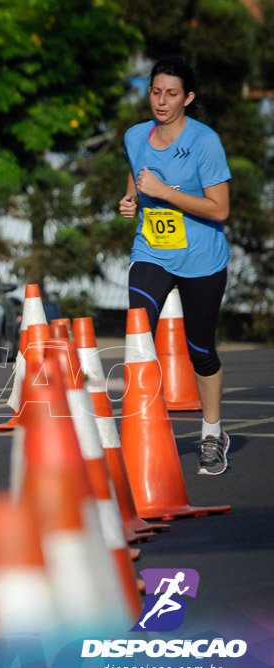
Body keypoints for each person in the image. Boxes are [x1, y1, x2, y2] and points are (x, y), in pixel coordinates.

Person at [118, 55, 231, 475]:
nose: (161, 101)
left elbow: (220, 210)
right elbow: (137, 173)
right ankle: (141, 430)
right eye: (155, 92)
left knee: (199, 350)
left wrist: (164, 192)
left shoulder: (205, 142)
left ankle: (211, 433)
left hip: (202, 258)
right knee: (137, 335)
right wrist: (132, 198)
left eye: (171, 94)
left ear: (188, 98)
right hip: (152, 251)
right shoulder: (134, 135)